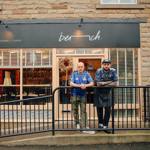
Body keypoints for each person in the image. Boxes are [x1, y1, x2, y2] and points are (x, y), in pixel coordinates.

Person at [70, 62, 95, 134]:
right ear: (77, 67)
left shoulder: (86, 74)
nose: (80, 68)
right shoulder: (74, 74)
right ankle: (77, 123)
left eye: (81, 67)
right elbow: (71, 83)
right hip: (74, 95)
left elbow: (92, 83)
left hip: (83, 95)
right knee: (75, 110)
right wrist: (79, 85)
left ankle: (84, 125)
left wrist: (85, 85)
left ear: (83, 67)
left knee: (83, 111)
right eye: (79, 67)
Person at [94, 59, 118, 133]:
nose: (106, 66)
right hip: (99, 92)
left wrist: (103, 83)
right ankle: (100, 125)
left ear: (110, 65)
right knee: (99, 110)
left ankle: (105, 126)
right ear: (102, 65)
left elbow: (115, 83)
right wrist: (110, 82)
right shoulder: (98, 71)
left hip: (109, 93)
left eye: (108, 64)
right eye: (105, 64)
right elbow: (98, 84)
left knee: (108, 110)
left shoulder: (113, 71)